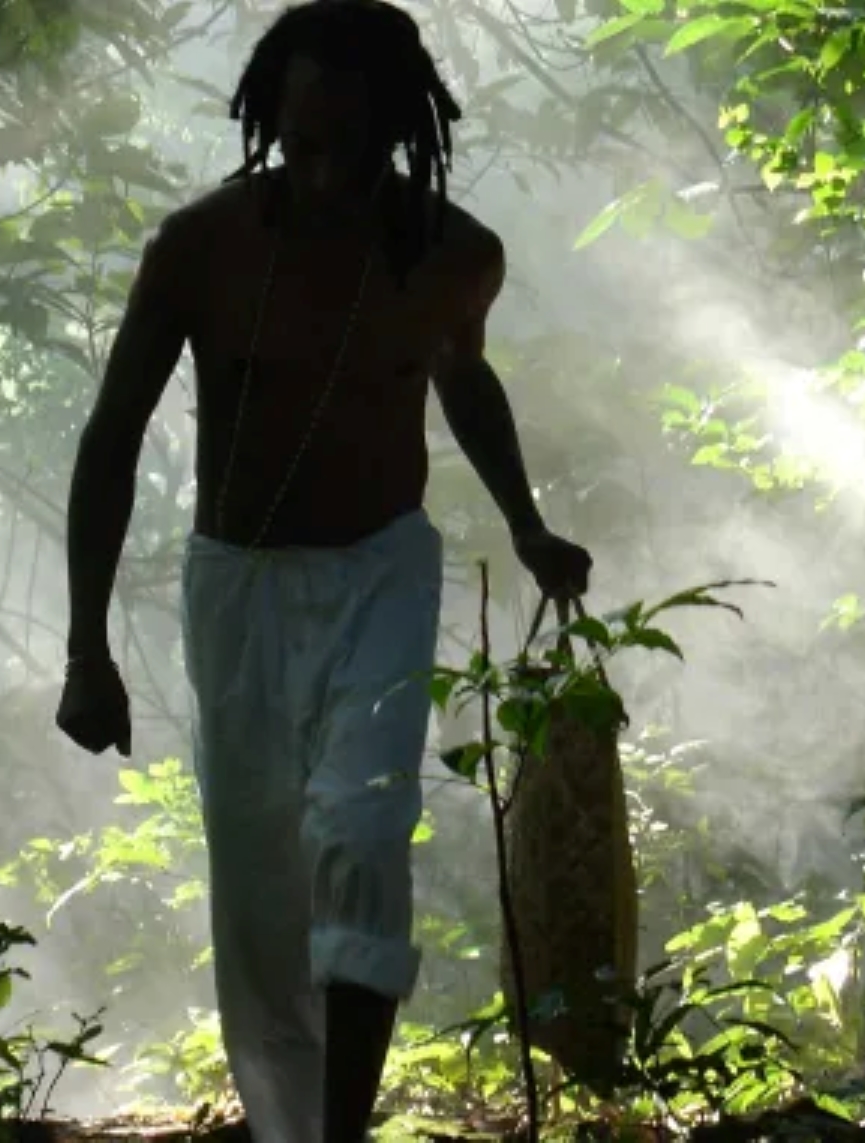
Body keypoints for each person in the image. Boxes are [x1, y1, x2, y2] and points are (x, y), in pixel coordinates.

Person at [54, 2, 592, 1139]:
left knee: (360, 831)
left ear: (396, 128)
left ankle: (342, 1135)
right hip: (238, 586)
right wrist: (85, 649)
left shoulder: (454, 255)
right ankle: (288, 1130)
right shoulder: (200, 250)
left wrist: (528, 526)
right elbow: (112, 437)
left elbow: (461, 377)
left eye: (349, 135)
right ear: (270, 118)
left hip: (383, 574)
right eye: (303, 131)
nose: (324, 160)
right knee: (260, 899)